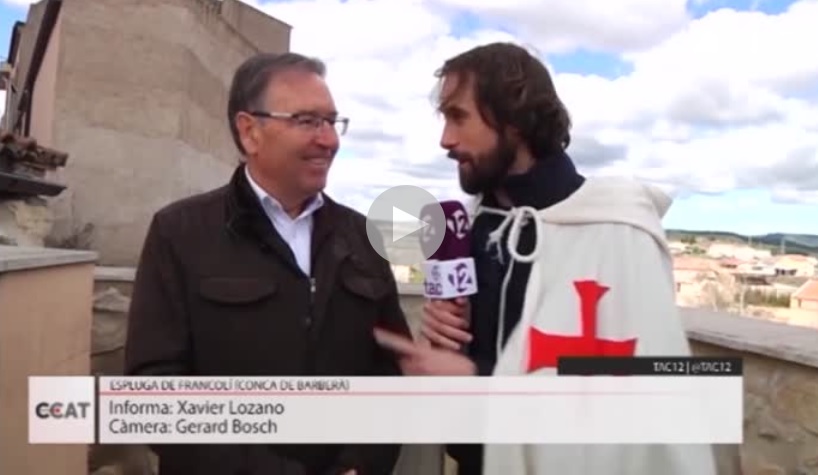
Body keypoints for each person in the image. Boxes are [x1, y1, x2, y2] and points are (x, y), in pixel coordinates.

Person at [373, 43, 718, 474]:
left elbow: (631, 392)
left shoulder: (616, 231)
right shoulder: (480, 226)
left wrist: (474, 381)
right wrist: (439, 331)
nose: (446, 140)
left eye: (459, 117)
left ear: (514, 121)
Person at [124, 52, 412, 475]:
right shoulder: (180, 232)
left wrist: (360, 464)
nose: (329, 139)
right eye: (307, 121)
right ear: (250, 131)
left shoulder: (362, 237)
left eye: (332, 121)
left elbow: (390, 368)